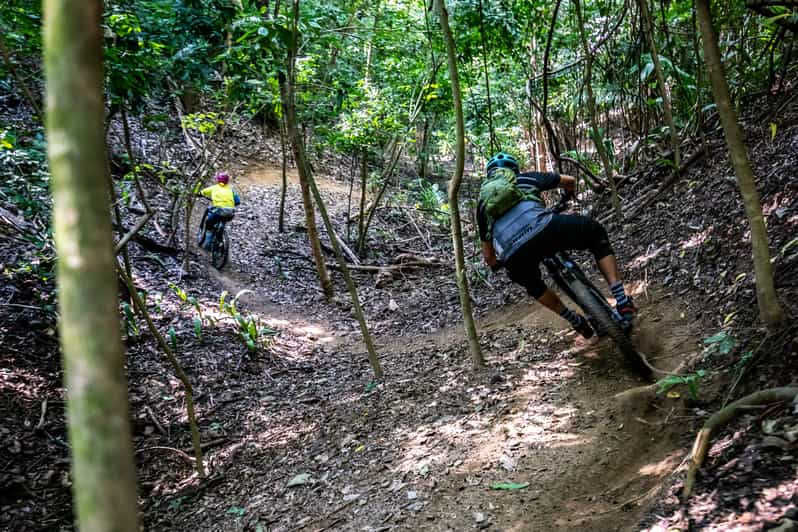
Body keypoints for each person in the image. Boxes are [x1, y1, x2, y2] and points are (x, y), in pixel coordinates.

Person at [477, 152, 635, 339]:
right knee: (595, 232)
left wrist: (497, 264)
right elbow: (569, 180)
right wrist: (568, 196)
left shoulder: (482, 207)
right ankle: (621, 299)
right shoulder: (526, 178)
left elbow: (489, 257)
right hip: (545, 228)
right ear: (513, 170)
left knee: (533, 285)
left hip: (515, 253)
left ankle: (573, 320)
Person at [199, 172, 241, 249]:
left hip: (219, 211)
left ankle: (207, 243)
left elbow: (202, 192)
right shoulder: (231, 190)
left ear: (218, 180)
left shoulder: (214, 188)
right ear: (227, 181)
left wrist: (198, 194)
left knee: (209, 223)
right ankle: (220, 237)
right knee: (223, 220)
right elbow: (238, 201)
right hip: (230, 212)